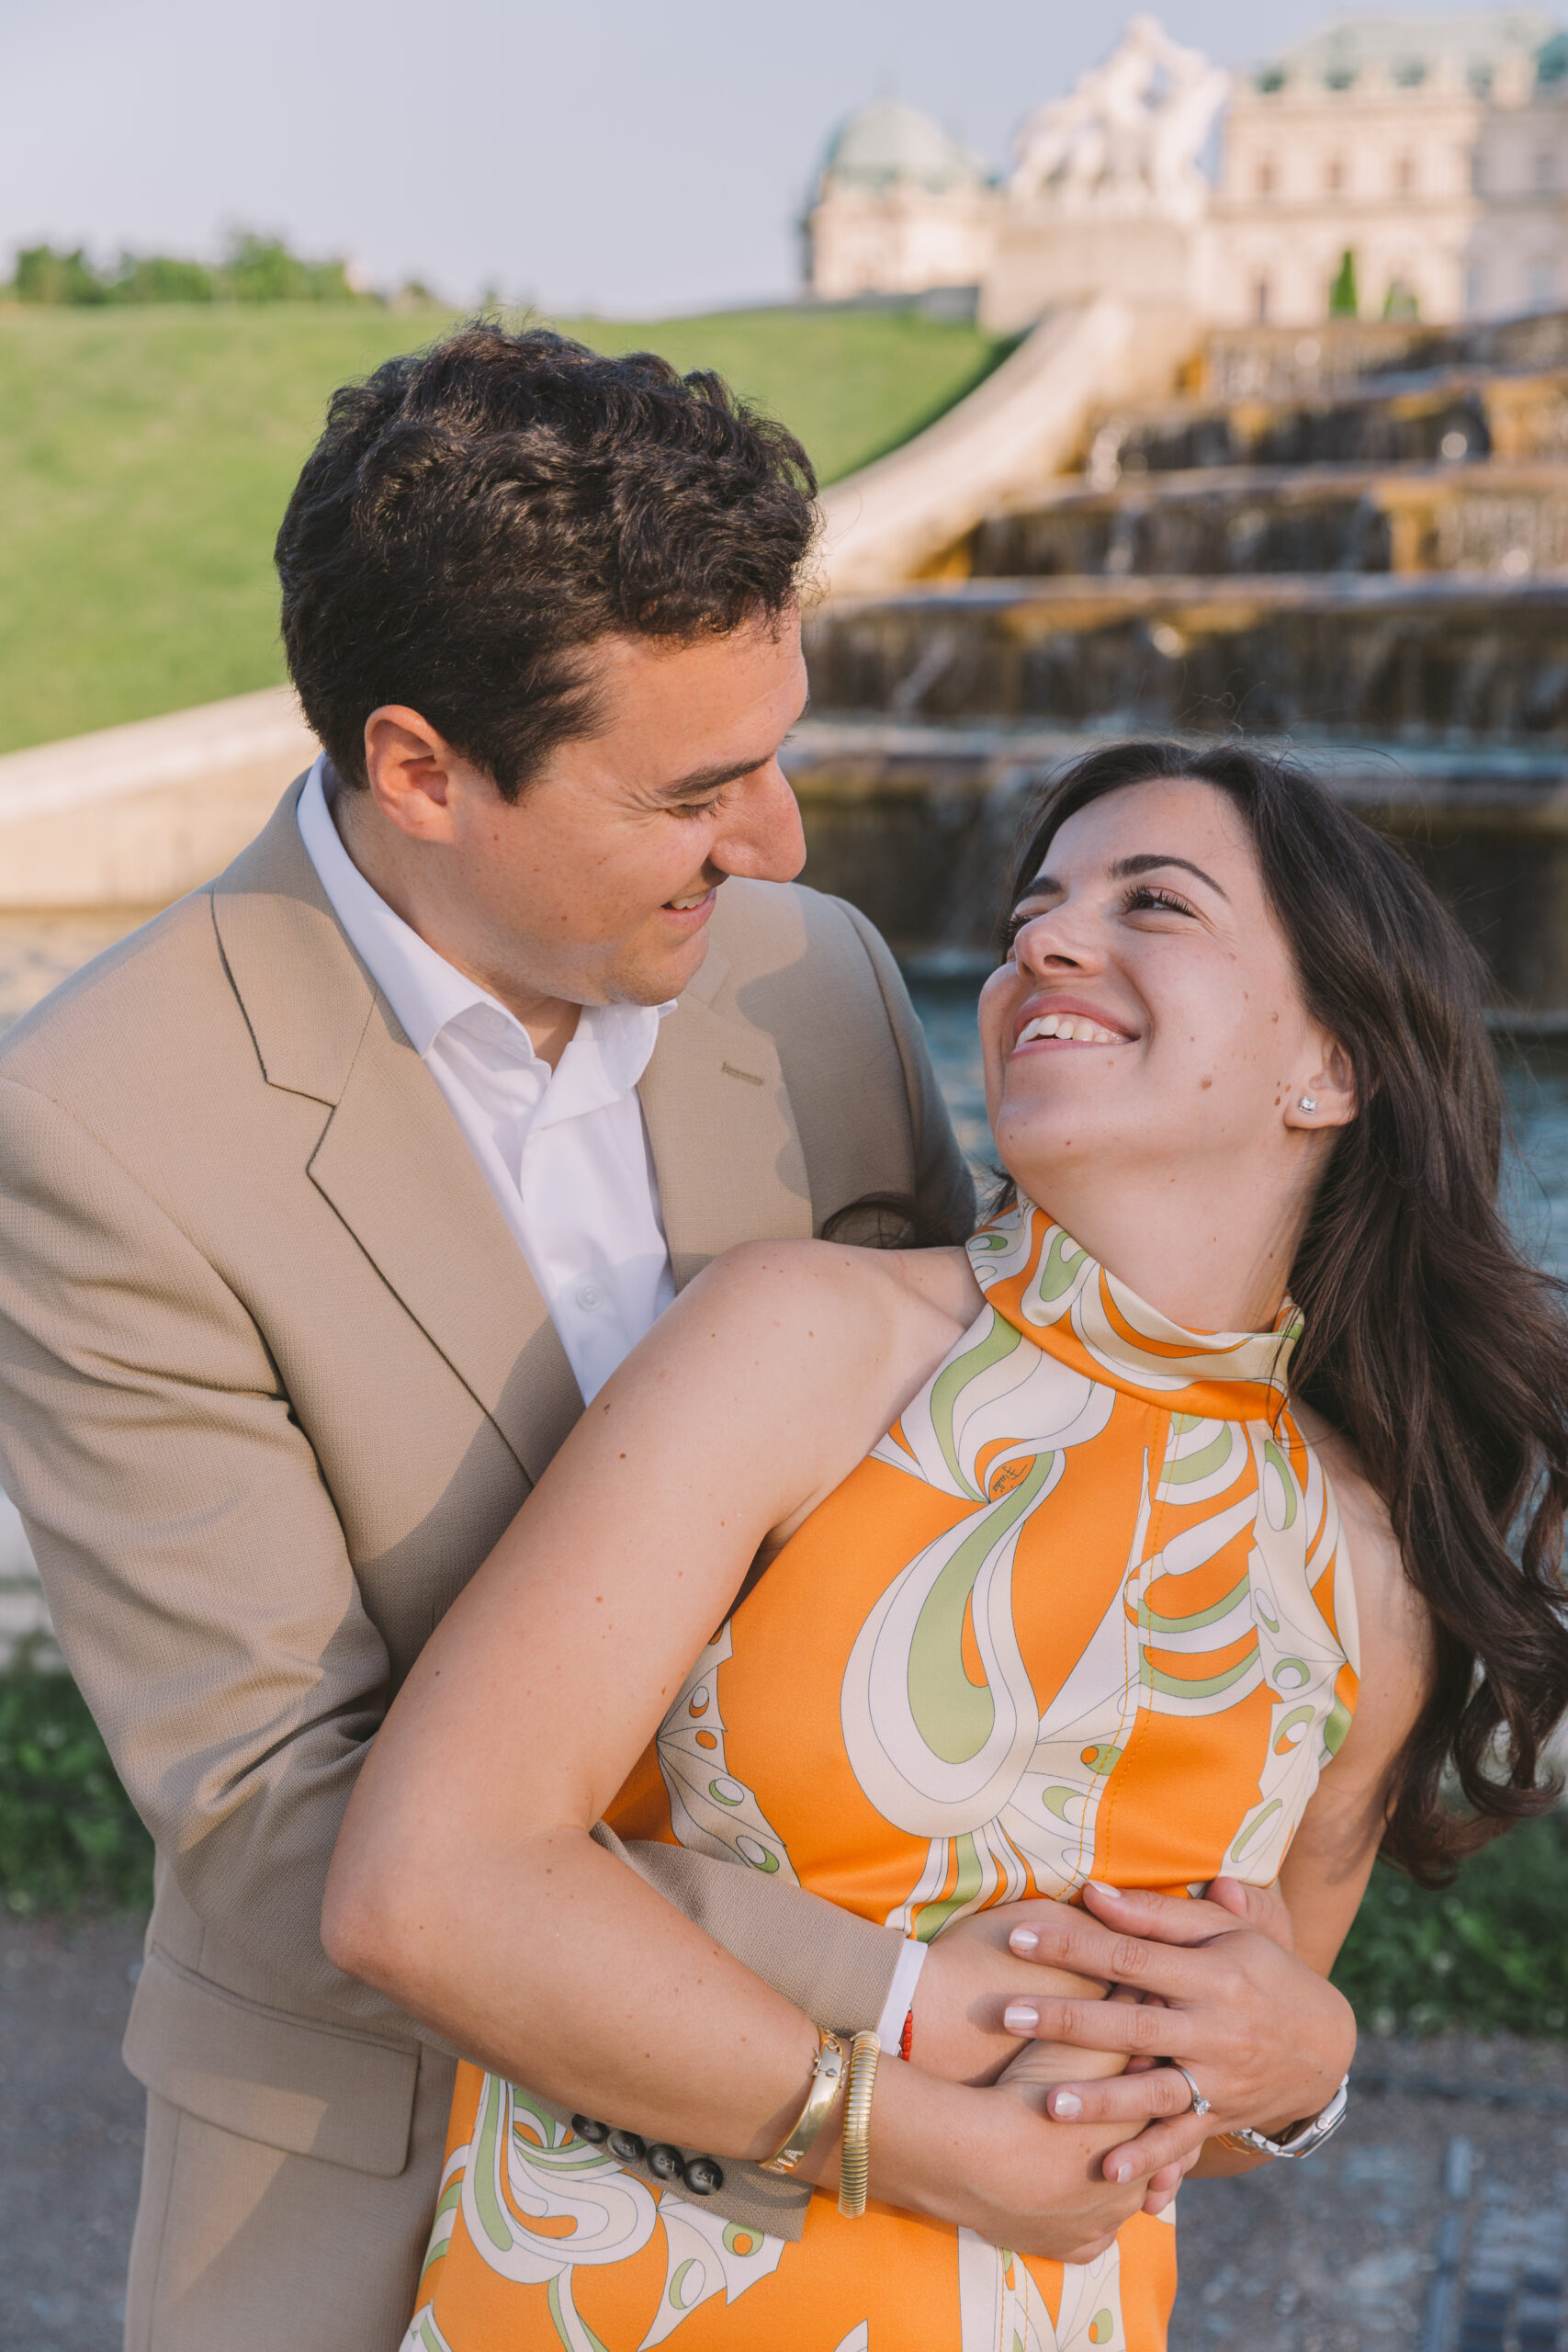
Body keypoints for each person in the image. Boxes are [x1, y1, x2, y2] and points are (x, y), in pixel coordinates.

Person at [0, 326, 1293, 2352]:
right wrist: (881, 2038)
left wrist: (1266, 2034)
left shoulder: (815, 981)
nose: (776, 838)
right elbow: (282, 1819)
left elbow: (1018, 1522)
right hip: (382, 2184)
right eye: (695, 789)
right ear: (423, 768)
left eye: (775, 749)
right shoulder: (95, 1126)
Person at [326, 738, 1568, 2352]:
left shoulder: (1373, 1569)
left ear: (1328, 1068)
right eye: (1031, 911)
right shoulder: (806, 1345)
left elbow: (1200, 2109)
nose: (1041, 944)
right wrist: (890, 2125)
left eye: (1155, 905)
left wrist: (1305, 2068)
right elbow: (427, 1885)